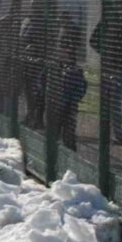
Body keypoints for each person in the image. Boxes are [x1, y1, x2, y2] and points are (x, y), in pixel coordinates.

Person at [90, 0, 122, 143]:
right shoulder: (109, 19)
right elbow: (93, 40)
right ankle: (119, 134)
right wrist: (107, 53)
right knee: (115, 101)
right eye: (121, 3)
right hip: (115, 66)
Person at [51, 12, 87, 150]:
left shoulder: (72, 30)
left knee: (68, 128)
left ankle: (69, 149)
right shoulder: (55, 67)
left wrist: (75, 98)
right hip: (57, 101)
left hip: (69, 101)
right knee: (56, 127)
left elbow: (82, 86)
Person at [19, 0, 47, 128]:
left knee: (38, 90)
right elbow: (22, 38)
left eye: (37, 6)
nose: (35, 8)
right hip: (26, 60)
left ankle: (38, 119)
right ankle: (30, 115)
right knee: (28, 90)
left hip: (38, 61)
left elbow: (46, 40)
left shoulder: (43, 22)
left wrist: (35, 48)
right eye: (34, 6)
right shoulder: (27, 20)